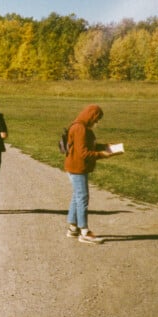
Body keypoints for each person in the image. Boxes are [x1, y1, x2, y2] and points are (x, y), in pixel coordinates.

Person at [64, 104, 114, 244]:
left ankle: (73, 228)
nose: (96, 122)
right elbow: (83, 153)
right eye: (96, 118)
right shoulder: (80, 128)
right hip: (77, 168)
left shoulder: (81, 126)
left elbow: (86, 146)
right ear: (90, 115)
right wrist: (102, 155)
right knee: (82, 198)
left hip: (74, 166)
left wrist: (105, 146)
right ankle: (84, 231)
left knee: (77, 196)